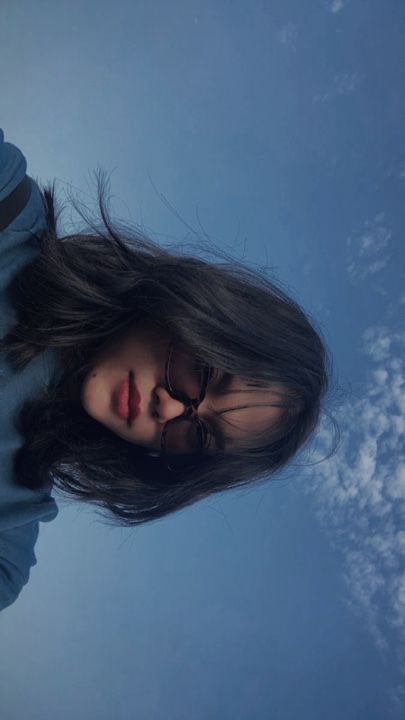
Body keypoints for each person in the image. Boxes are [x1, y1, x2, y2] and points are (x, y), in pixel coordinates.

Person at [0, 129, 331, 611]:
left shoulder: (7, 545)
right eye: (202, 373)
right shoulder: (10, 207)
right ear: (194, 309)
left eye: (196, 435)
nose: (170, 409)